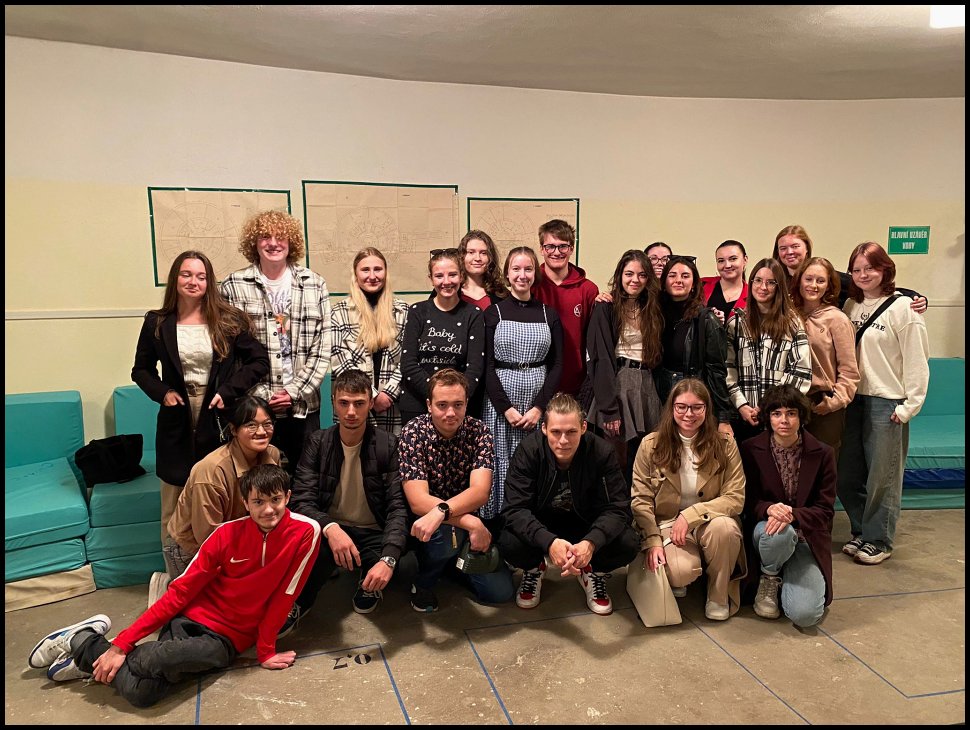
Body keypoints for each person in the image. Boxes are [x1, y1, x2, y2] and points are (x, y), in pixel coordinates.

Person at [26, 464, 320, 708]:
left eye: (275, 500)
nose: (268, 510)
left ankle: (85, 646)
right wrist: (123, 643)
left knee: (145, 688)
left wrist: (266, 651)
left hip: (227, 639)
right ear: (245, 503)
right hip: (190, 619)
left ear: (288, 497)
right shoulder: (225, 535)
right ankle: (97, 651)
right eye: (258, 502)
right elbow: (181, 591)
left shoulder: (306, 532)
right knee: (145, 681)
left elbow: (285, 596)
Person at [132, 250, 268, 578]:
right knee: (173, 506)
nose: (193, 281)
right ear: (175, 279)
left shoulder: (228, 320)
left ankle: (221, 577)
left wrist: (229, 390)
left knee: (218, 499)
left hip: (216, 418)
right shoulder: (157, 322)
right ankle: (178, 580)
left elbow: (259, 361)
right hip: (176, 420)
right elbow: (141, 370)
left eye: (201, 276)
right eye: (186, 274)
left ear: (209, 282)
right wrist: (162, 392)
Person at [286, 369, 407, 628]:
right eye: (344, 403)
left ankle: (369, 576)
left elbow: (398, 507)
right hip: (332, 529)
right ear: (333, 403)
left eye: (359, 403)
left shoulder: (388, 445)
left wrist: (389, 558)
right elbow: (301, 500)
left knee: (386, 563)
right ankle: (300, 601)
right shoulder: (318, 442)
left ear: (371, 404)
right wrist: (330, 527)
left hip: (373, 531)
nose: (351, 411)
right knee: (310, 553)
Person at [499, 393, 639, 615]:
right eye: (556, 432)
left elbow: (617, 507)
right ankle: (535, 568)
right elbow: (514, 509)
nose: (563, 440)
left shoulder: (602, 452)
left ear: (583, 427)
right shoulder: (528, 450)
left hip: (586, 525)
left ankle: (592, 570)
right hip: (543, 524)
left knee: (628, 543)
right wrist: (549, 542)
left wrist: (591, 543)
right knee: (508, 542)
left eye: (571, 432)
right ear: (544, 429)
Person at [838, 242, 929, 566]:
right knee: (847, 474)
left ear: (885, 269)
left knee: (883, 477)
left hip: (886, 401)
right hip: (853, 399)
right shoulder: (850, 305)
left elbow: (917, 360)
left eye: (870, 268)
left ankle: (879, 539)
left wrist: (909, 406)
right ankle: (861, 529)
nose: (863, 275)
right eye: (857, 269)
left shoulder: (904, 308)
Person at [220, 210, 332, 473]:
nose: (273, 243)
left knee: (306, 479)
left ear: (291, 242)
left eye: (280, 237)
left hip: (303, 406)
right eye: (265, 237)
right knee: (256, 481)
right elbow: (229, 353)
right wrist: (265, 395)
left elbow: (322, 348)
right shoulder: (234, 285)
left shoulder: (314, 284)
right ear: (254, 243)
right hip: (254, 406)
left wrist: (293, 391)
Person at [398, 369, 515, 612]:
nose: (450, 413)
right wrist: (471, 523)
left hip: (459, 522)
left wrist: (444, 511)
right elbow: (418, 501)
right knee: (445, 539)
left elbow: (480, 492)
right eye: (442, 405)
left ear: (466, 404)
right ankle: (424, 582)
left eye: (458, 405)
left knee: (500, 593)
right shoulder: (413, 432)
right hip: (429, 527)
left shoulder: (479, 431)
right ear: (429, 405)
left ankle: (452, 565)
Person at [631, 378, 746, 621]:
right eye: (681, 407)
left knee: (726, 529)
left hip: (710, 521)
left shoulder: (725, 445)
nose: (689, 414)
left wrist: (691, 515)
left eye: (696, 407)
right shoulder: (650, 445)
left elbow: (735, 497)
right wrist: (652, 541)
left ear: (707, 409)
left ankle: (718, 594)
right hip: (667, 524)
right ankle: (688, 568)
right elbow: (641, 499)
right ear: (672, 408)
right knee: (681, 572)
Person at [740, 385, 836, 628]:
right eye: (777, 414)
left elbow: (825, 511)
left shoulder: (823, 454)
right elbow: (745, 501)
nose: (784, 420)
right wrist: (768, 509)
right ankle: (770, 577)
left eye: (791, 413)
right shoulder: (750, 449)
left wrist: (793, 514)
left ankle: (786, 579)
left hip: (805, 539)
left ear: (801, 417)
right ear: (768, 417)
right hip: (767, 536)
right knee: (779, 533)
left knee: (805, 615)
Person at [164, 396, 281, 586]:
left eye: (267, 424)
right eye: (251, 425)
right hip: (192, 548)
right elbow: (207, 538)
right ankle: (166, 585)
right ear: (234, 429)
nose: (261, 432)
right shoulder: (211, 472)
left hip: (240, 538)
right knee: (209, 602)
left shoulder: (272, 454)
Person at [482, 246, 563, 520]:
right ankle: (500, 522)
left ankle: (533, 521)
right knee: (500, 461)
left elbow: (557, 364)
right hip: (501, 404)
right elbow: (487, 366)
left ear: (535, 274)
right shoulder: (493, 313)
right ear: (507, 274)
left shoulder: (548, 314)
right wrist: (506, 409)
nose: (522, 275)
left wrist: (539, 408)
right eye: (516, 269)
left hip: (536, 401)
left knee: (535, 461)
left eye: (528, 269)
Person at [585, 249, 663, 476]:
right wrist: (609, 410)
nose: (635, 280)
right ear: (620, 275)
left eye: (642, 275)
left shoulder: (653, 307)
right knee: (615, 460)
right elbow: (600, 359)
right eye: (629, 274)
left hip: (646, 385)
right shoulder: (606, 307)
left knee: (647, 460)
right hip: (617, 384)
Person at [725, 258, 812, 442]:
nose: (763, 287)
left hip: (780, 418)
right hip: (743, 416)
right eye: (758, 280)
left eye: (771, 282)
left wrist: (767, 405)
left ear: (779, 287)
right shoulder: (736, 323)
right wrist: (742, 405)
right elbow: (727, 369)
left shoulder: (792, 323)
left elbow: (801, 371)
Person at [400, 248, 485, 424]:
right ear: (431, 279)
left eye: (452, 275)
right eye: (439, 276)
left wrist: (452, 399)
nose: (446, 281)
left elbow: (475, 368)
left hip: (458, 407)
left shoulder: (474, 314)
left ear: (462, 276)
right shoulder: (417, 311)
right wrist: (438, 395)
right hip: (417, 403)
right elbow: (408, 364)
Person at [330, 247, 410, 435]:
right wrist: (371, 396)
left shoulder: (403, 311)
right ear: (356, 274)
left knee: (390, 450)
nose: (372, 276)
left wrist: (388, 394)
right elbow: (339, 360)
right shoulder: (338, 313)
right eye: (365, 270)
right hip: (354, 404)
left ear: (386, 272)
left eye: (378, 269)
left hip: (391, 405)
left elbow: (408, 359)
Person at [790, 257, 860, 461]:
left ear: (829, 285)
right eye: (808, 279)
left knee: (821, 467)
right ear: (799, 280)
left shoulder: (837, 320)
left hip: (822, 404)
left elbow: (849, 370)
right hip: (791, 401)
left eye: (820, 281)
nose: (813, 285)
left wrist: (834, 402)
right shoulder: (788, 315)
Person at [657, 255, 734, 438]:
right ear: (664, 282)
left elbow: (717, 371)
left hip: (692, 394)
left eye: (685, 276)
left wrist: (723, 418)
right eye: (672, 275)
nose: (678, 280)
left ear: (694, 284)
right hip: (658, 393)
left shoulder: (707, 320)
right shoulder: (654, 315)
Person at [772, 224, 927, 312]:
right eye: (783, 248)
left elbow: (871, 288)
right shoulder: (774, 281)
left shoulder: (830, 277)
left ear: (807, 248)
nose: (789, 252)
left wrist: (912, 296)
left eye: (795, 246)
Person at [532, 219, 599, 397]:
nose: (556, 252)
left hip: (575, 383)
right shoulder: (530, 286)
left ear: (571, 249)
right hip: (536, 382)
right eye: (550, 247)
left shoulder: (588, 290)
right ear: (541, 249)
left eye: (563, 246)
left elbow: (593, 341)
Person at [702, 239, 749, 325]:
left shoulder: (753, 295)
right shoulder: (701, 285)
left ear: (745, 260)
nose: (727, 265)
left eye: (733, 259)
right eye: (721, 261)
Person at [459, 230, 509, 310]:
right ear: (462, 256)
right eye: (471, 252)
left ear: (490, 258)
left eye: (483, 253)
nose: (477, 258)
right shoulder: (450, 292)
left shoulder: (502, 294)